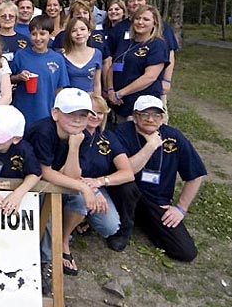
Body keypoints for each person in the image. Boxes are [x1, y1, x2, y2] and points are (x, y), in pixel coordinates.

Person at [110, 95, 206, 262]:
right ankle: (123, 231)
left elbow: (196, 174)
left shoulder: (174, 137)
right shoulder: (121, 132)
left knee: (185, 252)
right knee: (127, 185)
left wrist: (180, 208)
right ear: (135, 116)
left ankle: (146, 222)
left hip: (157, 201)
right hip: (123, 195)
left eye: (156, 115)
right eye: (144, 114)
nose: (150, 119)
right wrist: (151, 145)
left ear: (163, 118)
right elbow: (126, 171)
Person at [24, 87, 98, 295]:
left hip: (55, 181)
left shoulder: (81, 136)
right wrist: (84, 186)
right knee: (48, 213)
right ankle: (41, 261)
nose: (77, 120)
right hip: (30, 181)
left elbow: (72, 176)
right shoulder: (43, 131)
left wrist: (74, 148)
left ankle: (53, 250)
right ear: (55, 113)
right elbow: (45, 172)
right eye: (70, 114)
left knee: (77, 201)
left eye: (82, 116)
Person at [59, 95, 133, 275]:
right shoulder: (71, 134)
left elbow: (127, 172)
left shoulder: (108, 138)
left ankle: (81, 219)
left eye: (100, 113)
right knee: (82, 201)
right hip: (71, 184)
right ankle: (63, 242)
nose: (95, 116)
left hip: (96, 185)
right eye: (90, 112)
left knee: (110, 227)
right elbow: (62, 172)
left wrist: (100, 182)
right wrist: (90, 189)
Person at [106, 0, 178, 103]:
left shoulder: (159, 39)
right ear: (127, 5)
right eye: (132, 1)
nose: (135, 3)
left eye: (139, 0)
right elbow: (112, 60)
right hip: (120, 97)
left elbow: (169, 54)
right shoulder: (120, 29)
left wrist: (167, 80)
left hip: (144, 96)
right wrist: (110, 89)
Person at [107, 5, 169, 122]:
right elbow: (112, 67)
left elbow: (149, 77)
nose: (140, 22)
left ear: (155, 23)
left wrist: (120, 94)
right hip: (120, 105)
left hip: (142, 108)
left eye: (146, 19)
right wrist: (110, 90)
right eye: (137, 18)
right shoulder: (126, 42)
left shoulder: (157, 45)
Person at [10, 15, 69, 124]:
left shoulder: (58, 59)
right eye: (33, 34)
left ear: (50, 35)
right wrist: (19, 77)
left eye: (42, 34)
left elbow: (59, 89)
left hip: (46, 113)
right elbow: (8, 79)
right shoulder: (21, 55)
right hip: (22, 113)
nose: (37, 38)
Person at [53, 0, 111, 91]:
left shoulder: (98, 42)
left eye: (85, 13)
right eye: (78, 14)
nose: (82, 16)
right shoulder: (61, 39)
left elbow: (105, 62)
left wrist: (107, 89)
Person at [61, 17, 102, 95]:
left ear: (89, 32)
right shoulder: (61, 56)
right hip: (68, 101)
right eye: (74, 30)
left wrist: (98, 102)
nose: (79, 33)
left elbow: (97, 84)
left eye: (82, 29)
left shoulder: (97, 54)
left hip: (89, 102)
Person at [0, 1, 32, 68]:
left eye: (11, 16)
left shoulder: (25, 40)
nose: (7, 18)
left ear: (16, 18)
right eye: (3, 16)